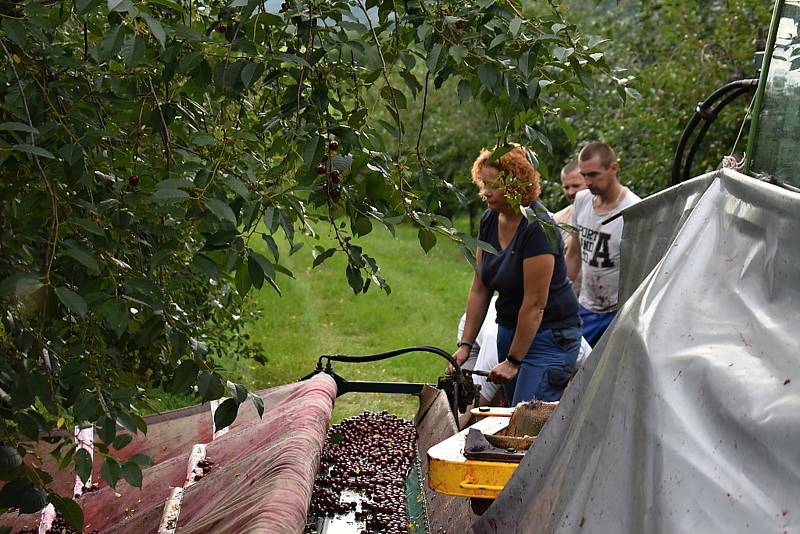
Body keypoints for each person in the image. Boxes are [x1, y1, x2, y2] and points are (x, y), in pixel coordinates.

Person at [453, 146, 582, 405]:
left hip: (550, 335)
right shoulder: (490, 220)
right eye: (483, 184)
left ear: (517, 185)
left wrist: (513, 360)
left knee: (526, 418)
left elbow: (535, 303)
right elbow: (481, 286)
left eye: (493, 186)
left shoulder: (537, 227)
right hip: (510, 328)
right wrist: (465, 345)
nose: (485, 192)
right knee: (511, 417)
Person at [566, 142, 641, 346]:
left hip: (616, 312)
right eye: (584, 175)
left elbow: (639, 271)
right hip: (585, 307)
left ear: (613, 168)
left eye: (594, 174)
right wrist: (560, 292)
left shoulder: (634, 210)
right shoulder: (582, 200)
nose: (587, 182)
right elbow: (574, 254)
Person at [553, 161, 588, 295]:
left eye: (576, 186)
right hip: (571, 300)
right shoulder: (557, 220)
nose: (571, 192)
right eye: (566, 187)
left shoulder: (608, 215)